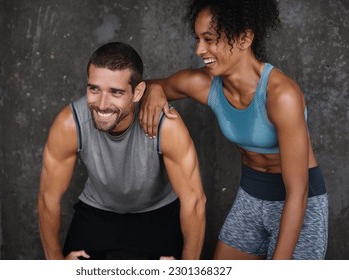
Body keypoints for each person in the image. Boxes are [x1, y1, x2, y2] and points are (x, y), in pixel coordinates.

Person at [139, 0, 328, 260]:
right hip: (251, 194)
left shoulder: (281, 94)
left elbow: (298, 190)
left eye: (209, 39)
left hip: (298, 203)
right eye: (197, 39)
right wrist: (157, 89)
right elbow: (132, 88)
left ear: (244, 38)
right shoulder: (203, 84)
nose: (198, 49)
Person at [38, 42, 206, 260]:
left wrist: (186, 270)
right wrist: (56, 265)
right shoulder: (71, 123)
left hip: (157, 213)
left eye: (116, 92)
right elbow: (48, 198)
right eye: (94, 89)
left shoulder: (167, 124)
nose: (102, 104)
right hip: (98, 211)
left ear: (137, 93)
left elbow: (194, 201)